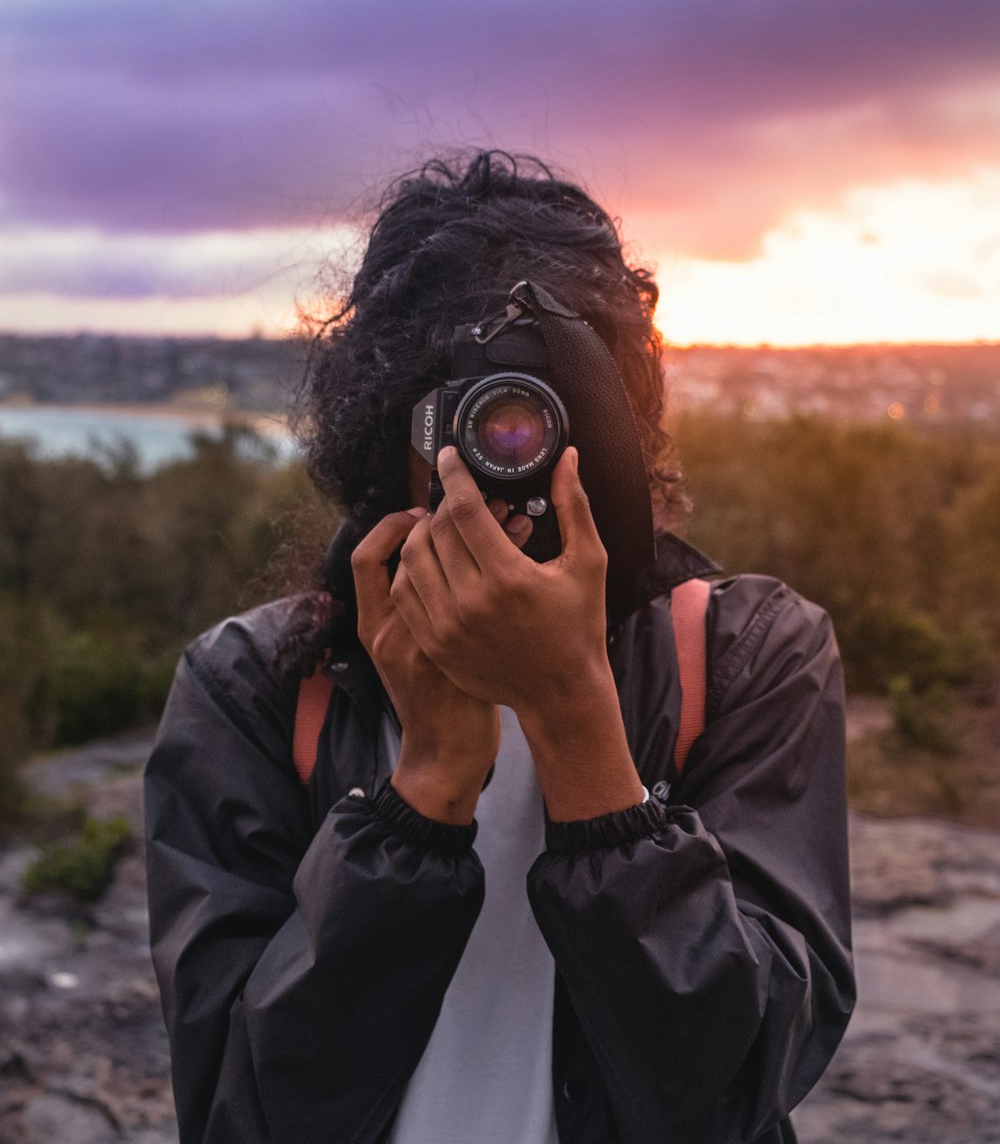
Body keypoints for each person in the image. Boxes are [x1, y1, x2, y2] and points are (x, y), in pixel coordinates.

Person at [144, 150, 856, 1144]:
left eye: (541, 409)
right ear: (385, 424)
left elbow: (736, 1088)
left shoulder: (744, 657)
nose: (502, 453)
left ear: (616, 421)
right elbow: (240, 1108)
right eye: (467, 415)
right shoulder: (254, 687)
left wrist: (574, 718)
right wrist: (423, 787)